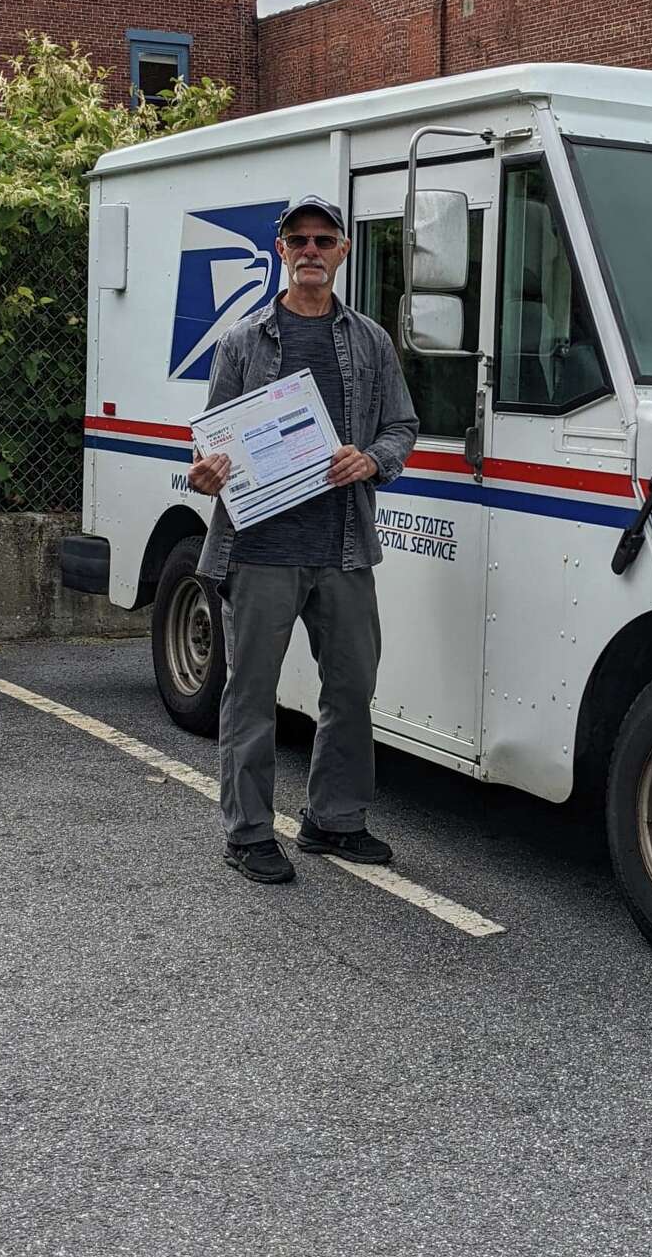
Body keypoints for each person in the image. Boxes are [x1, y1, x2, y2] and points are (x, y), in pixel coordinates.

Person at [188, 194, 419, 884]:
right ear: (281, 251)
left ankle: (333, 819)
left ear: (344, 250)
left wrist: (371, 459)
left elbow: (402, 427)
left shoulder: (372, 341)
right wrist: (206, 471)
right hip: (259, 550)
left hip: (343, 547)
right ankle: (249, 832)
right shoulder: (242, 342)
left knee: (350, 690)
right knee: (250, 696)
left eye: (324, 239)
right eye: (299, 240)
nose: (311, 250)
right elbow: (213, 440)